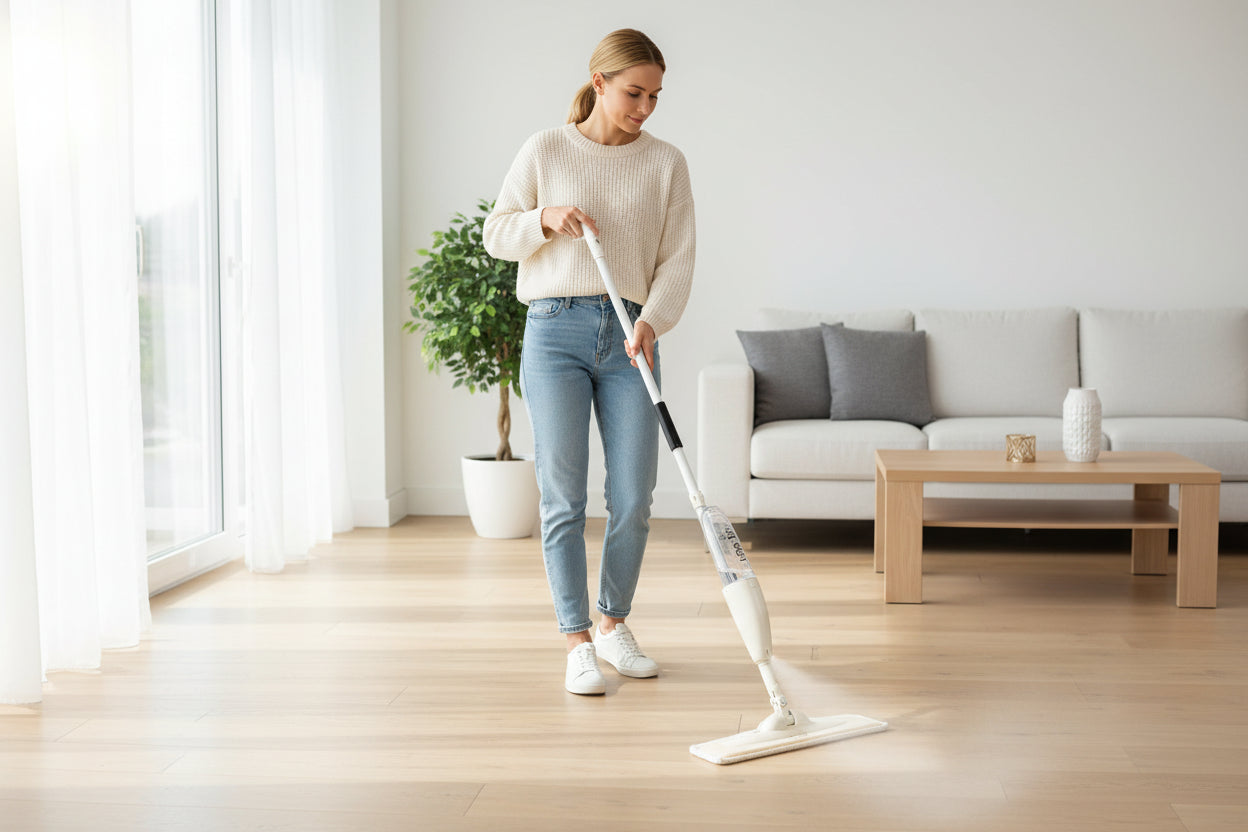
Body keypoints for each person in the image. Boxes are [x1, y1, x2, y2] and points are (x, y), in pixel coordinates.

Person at [483, 28, 696, 695]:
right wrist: (545, 218)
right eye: (634, 93)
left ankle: (613, 624)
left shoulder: (666, 163)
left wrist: (652, 322)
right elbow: (497, 234)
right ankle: (576, 640)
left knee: (633, 496)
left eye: (656, 95)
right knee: (563, 496)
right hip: (554, 333)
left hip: (633, 336)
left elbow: (678, 259)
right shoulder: (546, 149)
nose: (645, 108)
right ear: (599, 83)